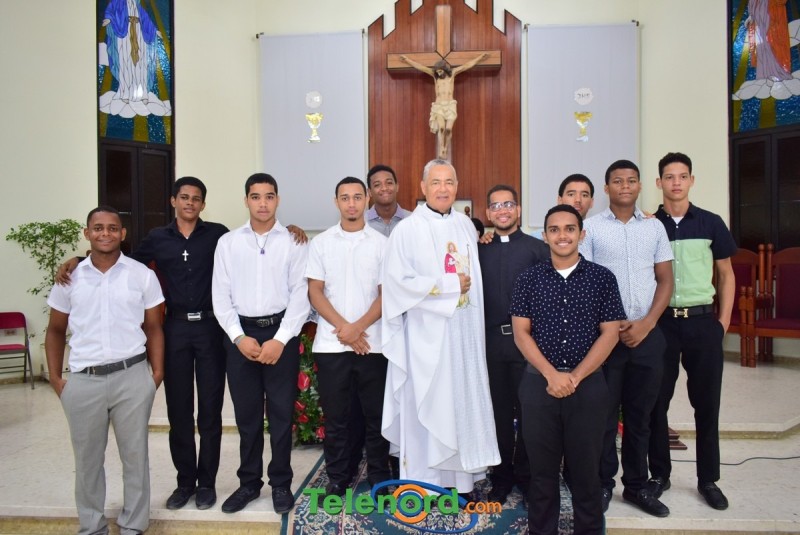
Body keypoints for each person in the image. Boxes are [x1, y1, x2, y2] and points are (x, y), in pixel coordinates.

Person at [56, 177, 311, 511]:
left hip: (213, 330)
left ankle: (210, 484)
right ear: (173, 201)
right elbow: (121, 257)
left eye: (196, 198)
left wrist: (292, 229)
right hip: (177, 327)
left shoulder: (219, 235)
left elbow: (289, 281)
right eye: (184, 197)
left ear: (203, 204)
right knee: (180, 412)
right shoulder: (167, 238)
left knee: (213, 411)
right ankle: (187, 483)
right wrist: (81, 258)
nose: (190, 203)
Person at [381, 158, 500, 495]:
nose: (443, 189)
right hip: (426, 339)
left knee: (461, 403)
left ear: (457, 187)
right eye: (436, 182)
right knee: (429, 405)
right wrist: (448, 285)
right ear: (423, 188)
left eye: (449, 182)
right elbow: (397, 284)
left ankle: (461, 482)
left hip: (464, 334)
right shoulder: (407, 230)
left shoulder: (465, 226)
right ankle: (425, 485)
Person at [45, 206, 165, 535]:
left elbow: (154, 327)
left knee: (135, 457)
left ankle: (133, 526)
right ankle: (92, 526)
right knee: (87, 461)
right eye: (98, 228)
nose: (105, 233)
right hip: (84, 380)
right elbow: (55, 330)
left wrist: (155, 376)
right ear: (87, 234)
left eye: (113, 228)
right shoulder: (70, 278)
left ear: (123, 234)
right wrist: (56, 379)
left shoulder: (141, 275)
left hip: (132, 375)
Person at [511, 204, 625, 535]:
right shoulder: (528, 279)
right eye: (555, 229)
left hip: (588, 387)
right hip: (539, 386)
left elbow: (610, 333)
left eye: (569, 229)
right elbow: (521, 333)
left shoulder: (602, 278)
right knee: (541, 476)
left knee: (587, 474)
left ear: (581, 234)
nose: (562, 235)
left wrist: (574, 377)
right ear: (545, 236)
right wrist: (552, 375)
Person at [580, 160, 674, 517]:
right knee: (604, 417)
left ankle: (636, 486)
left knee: (641, 416)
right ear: (607, 188)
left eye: (631, 180)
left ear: (639, 186)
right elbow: (585, 281)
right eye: (617, 181)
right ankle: (603, 483)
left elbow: (665, 280)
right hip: (606, 338)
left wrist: (647, 323)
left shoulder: (654, 227)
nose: (624, 186)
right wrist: (611, 324)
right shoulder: (591, 228)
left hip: (647, 335)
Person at [212, 173, 310, 514]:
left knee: (281, 416)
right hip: (242, 338)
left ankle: (281, 483)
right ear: (246, 201)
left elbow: (301, 295)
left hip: (280, 335)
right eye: (256, 197)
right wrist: (238, 337)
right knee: (247, 416)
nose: (263, 203)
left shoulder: (294, 242)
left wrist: (280, 340)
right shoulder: (228, 243)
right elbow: (220, 296)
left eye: (269, 196)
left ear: (277, 200)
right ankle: (249, 484)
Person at [647, 152, 737, 510]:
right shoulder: (650, 225)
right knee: (657, 403)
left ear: (691, 180)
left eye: (682, 176)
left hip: (703, 324)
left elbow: (726, 274)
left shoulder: (711, 222)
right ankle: (659, 475)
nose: (676, 183)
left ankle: (708, 479)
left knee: (707, 404)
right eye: (669, 177)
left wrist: (723, 323)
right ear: (659, 182)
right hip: (662, 323)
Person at [306, 177, 390, 496]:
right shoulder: (321, 243)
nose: (351, 203)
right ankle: (339, 477)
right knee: (337, 418)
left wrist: (358, 327)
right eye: (345, 198)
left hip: (373, 344)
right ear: (336, 202)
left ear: (367, 200)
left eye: (357, 197)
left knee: (375, 416)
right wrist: (345, 327)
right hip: (332, 345)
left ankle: (379, 477)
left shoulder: (382, 243)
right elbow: (315, 291)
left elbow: (386, 293)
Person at [478, 185, 549, 505]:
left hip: (530, 344)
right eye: (495, 206)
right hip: (492, 343)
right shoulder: (479, 250)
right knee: (499, 415)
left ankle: (528, 475)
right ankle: (501, 476)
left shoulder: (538, 249)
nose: (502, 210)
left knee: (532, 413)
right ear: (488, 213)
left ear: (518, 210)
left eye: (508, 204)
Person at [399, 53, 489, 159]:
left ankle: (445, 147)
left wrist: (480, 58)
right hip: (439, 106)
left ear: (445, 69)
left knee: (448, 129)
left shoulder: (452, 74)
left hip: (450, 105)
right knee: (441, 128)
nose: (438, 73)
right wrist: (407, 60)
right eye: (437, 71)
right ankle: (442, 148)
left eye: (440, 71)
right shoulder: (435, 76)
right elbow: (421, 67)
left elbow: (466, 66)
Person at [365, 164, 412, 237]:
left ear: (397, 187)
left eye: (389, 183)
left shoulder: (412, 219)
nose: (384, 188)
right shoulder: (361, 222)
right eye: (377, 185)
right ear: (370, 192)